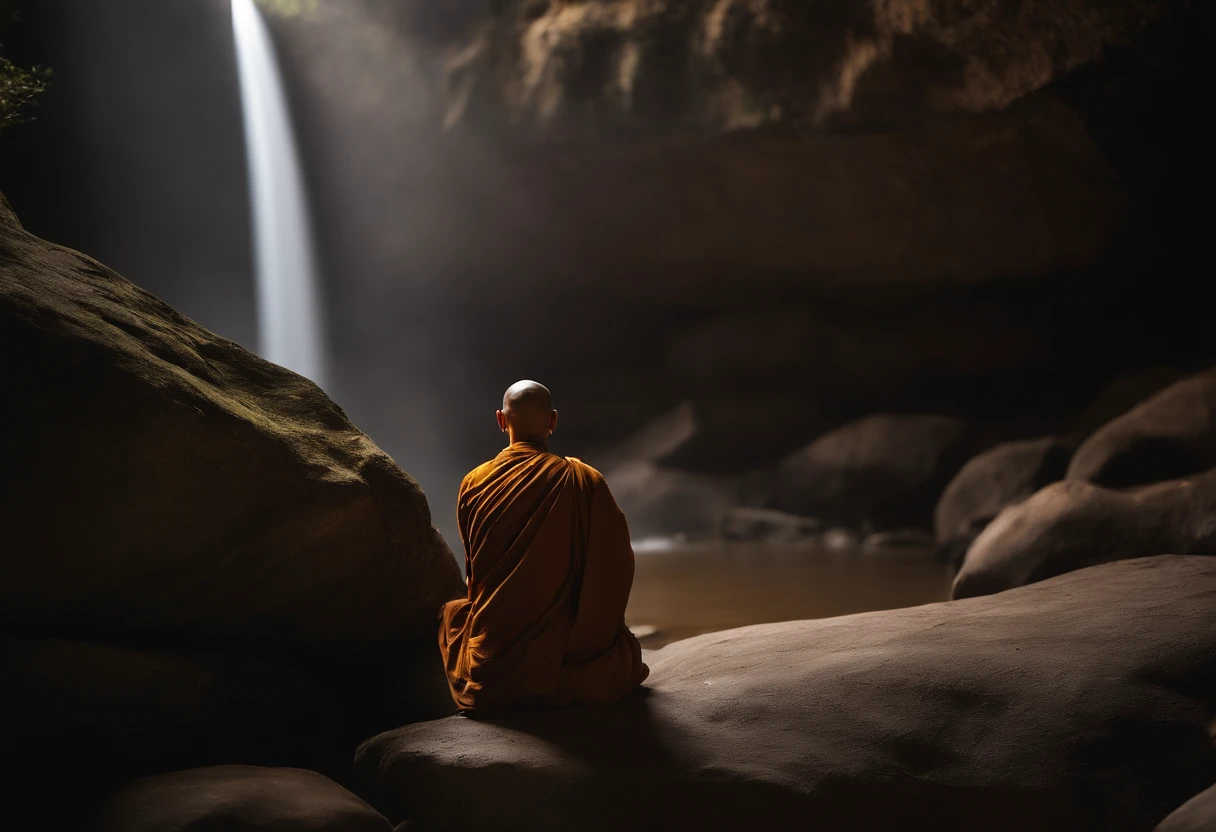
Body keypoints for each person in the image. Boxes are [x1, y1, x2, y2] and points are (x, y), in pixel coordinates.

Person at [439, 380, 649, 712]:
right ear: (553, 421)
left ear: (501, 420)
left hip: (492, 670)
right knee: (622, 658)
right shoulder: (584, 481)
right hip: (567, 665)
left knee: (452, 615)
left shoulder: (474, 482)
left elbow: (474, 577)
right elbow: (616, 570)